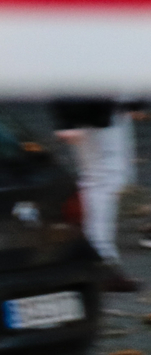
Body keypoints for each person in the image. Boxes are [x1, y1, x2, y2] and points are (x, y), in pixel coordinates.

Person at [53, 98, 140, 292]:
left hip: (107, 106)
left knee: (110, 177)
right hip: (90, 108)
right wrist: (66, 117)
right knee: (102, 179)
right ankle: (98, 258)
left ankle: (95, 256)